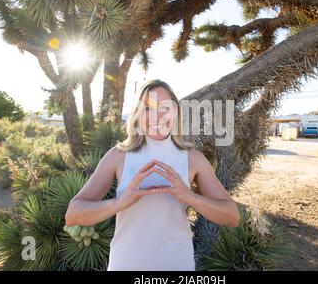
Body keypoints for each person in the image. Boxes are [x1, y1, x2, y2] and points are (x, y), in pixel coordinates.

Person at [65, 79, 240, 271]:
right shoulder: (118, 156)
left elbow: (232, 216)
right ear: (138, 114)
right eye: (148, 108)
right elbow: (74, 215)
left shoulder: (193, 159)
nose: (157, 116)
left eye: (164, 107)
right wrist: (120, 203)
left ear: (175, 112)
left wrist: (190, 197)